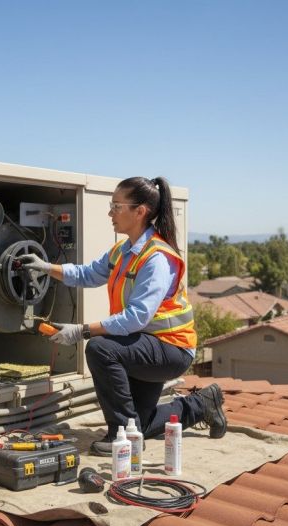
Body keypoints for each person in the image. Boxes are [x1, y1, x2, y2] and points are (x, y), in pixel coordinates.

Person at [18, 176, 226, 456]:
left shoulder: (156, 259)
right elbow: (88, 274)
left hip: (171, 349)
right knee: (140, 423)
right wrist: (45, 267)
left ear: (140, 211)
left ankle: (120, 437)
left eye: (116, 206)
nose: (110, 213)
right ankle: (202, 404)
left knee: (101, 348)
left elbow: (135, 318)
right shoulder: (124, 250)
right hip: (144, 345)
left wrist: (80, 331)